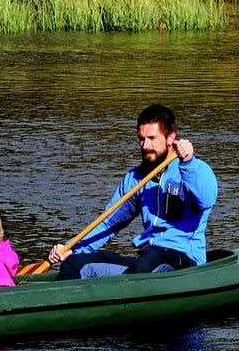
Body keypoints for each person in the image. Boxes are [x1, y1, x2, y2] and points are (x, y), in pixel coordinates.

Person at [47, 104, 217, 279]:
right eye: (141, 139)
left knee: (152, 258)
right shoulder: (135, 178)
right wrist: (72, 248)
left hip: (184, 261)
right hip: (147, 259)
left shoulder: (194, 170)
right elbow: (108, 223)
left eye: (152, 138)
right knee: (76, 264)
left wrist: (188, 162)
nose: (145, 145)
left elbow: (206, 199)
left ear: (170, 137)